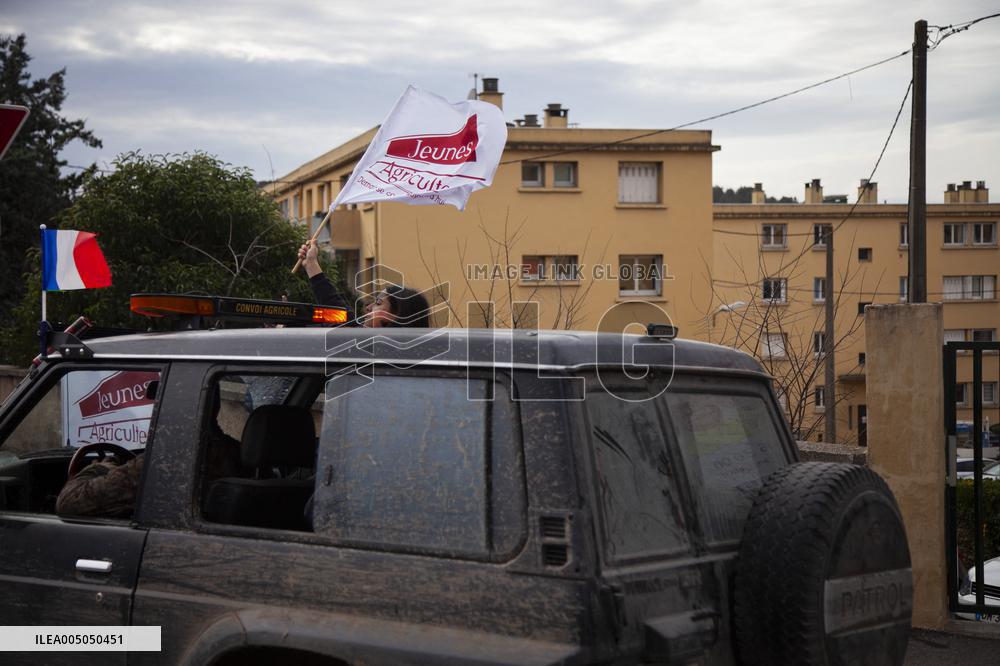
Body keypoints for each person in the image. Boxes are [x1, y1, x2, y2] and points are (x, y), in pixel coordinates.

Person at [297, 240, 430, 327]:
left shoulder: (370, 350)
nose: (368, 307)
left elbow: (341, 316)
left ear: (398, 315)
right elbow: (338, 312)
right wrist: (311, 264)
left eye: (378, 303)